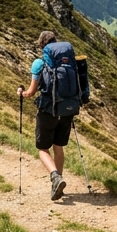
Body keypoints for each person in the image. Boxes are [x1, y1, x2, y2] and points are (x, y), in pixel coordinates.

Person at [18, 31, 72, 201]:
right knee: (58, 147)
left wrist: (22, 93)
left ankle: (56, 177)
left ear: (42, 45)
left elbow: (32, 92)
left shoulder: (39, 63)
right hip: (66, 110)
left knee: (43, 148)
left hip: (48, 111)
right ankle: (58, 183)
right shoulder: (68, 62)